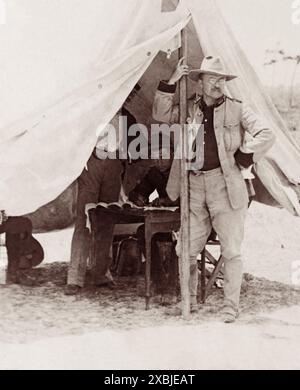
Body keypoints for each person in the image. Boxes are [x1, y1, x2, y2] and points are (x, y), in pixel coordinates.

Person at [152, 55, 275, 322]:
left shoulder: (237, 109)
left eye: (221, 79)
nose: (217, 84)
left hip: (226, 186)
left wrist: (245, 155)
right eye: (212, 78)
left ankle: (231, 306)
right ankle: (190, 302)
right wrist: (171, 82)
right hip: (193, 186)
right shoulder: (189, 108)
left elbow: (267, 133)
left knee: (231, 250)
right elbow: (160, 114)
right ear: (201, 82)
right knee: (185, 250)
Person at [65, 84, 140, 295]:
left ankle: (101, 274)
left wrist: (121, 164)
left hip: (113, 164)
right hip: (93, 162)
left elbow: (131, 151)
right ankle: (75, 278)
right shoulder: (94, 110)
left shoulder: (127, 118)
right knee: (85, 219)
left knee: (107, 218)